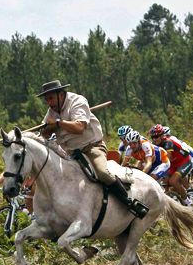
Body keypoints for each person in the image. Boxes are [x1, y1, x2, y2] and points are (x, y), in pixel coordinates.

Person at [38, 80, 148, 218]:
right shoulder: (51, 112)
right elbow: (43, 133)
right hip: (70, 154)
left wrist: (59, 123)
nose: (49, 102)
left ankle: (130, 203)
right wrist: (47, 129)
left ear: (61, 95)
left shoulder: (77, 101)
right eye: (46, 99)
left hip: (92, 148)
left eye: (51, 98)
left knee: (102, 173)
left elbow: (79, 127)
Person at [149, 124, 193, 202]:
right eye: (152, 137)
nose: (154, 139)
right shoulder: (155, 144)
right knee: (164, 183)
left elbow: (168, 159)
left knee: (173, 181)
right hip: (173, 164)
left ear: (162, 136)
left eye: (156, 137)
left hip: (184, 162)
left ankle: (187, 201)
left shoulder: (168, 142)